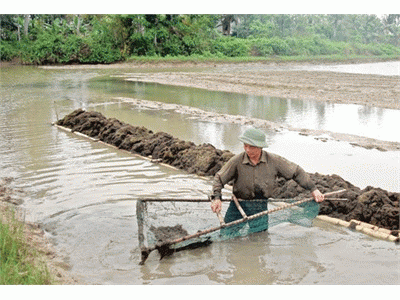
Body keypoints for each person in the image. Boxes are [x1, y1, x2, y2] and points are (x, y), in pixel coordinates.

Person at [210, 127, 324, 233]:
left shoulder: (274, 161)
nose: (247, 150)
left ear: (260, 147)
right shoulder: (236, 161)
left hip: (260, 206)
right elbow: (219, 178)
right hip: (238, 203)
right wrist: (216, 198)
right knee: (227, 234)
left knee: (259, 239)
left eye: (252, 147)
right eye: (245, 146)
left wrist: (313, 189)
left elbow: (296, 172)